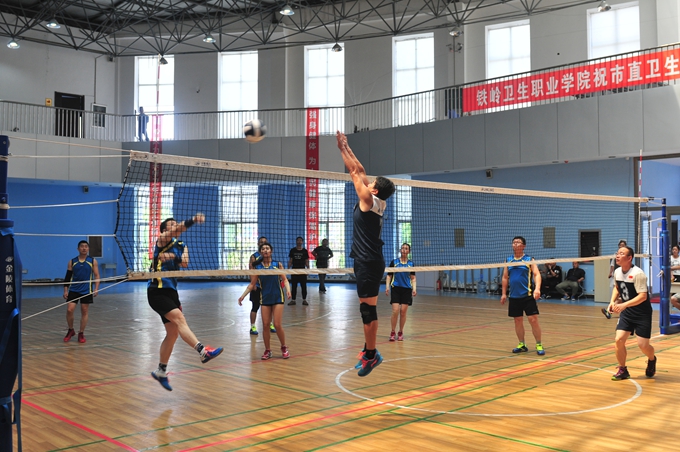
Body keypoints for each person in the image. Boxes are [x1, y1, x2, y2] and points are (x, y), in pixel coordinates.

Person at [337, 131, 395, 377]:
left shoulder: (368, 200)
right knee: (366, 309)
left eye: (372, 183)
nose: (367, 182)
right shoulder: (377, 200)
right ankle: (368, 350)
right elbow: (360, 169)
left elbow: (353, 172)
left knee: (367, 311)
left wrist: (340, 149)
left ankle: (372, 355)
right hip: (367, 261)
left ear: (374, 191)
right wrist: (347, 146)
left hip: (368, 263)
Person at [148, 214, 223, 391]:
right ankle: (203, 352)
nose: (175, 226)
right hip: (157, 291)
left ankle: (161, 371)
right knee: (180, 320)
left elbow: (185, 263)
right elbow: (178, 230)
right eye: (171, 225)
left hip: (172, 292)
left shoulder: (181, 245)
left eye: (176, 223)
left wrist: (172, 257)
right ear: (164, 230)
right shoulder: (161, 241)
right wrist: (193, 220)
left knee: (173, 333)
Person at [607, 246, 656, 380]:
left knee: (643, 345)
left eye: (621, 253)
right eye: (617, 253)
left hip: (642, 314)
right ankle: (623, 369)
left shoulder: (638, 273)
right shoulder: (617, 272)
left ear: (629, 258)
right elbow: (617, 288)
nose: (617, 256)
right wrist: (612, 301)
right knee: (619, 340)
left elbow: (643, 296)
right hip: (627, 312)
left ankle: (652, 359)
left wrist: (623, 305)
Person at [239, 242, 292, 360]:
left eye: (267, 248)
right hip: (265, 298)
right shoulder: (257, 268)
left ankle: (284, 347)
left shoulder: (277, 264)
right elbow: (252, 284)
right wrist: (243, 296)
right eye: (263, 249)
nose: (265, 250)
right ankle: (268, 350)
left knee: (277, 324)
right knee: (266, 325)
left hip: (278, 297)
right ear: (260, 252)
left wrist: (288, 290)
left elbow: (285, 280)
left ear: (271, 251)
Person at [500, 236, 545, 356]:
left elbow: (536, 274)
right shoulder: (508, 260)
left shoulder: (529, 259)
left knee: (533, 320)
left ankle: (539, 344)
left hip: (527, 295)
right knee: (517, 320)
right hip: (514, 296)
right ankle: (522, 344)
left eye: (518, 242)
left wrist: (537, 289)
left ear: (524, 246)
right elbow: (505, 277)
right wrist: (504, 293)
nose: (515, 244)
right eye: (513, 242)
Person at [63, 240, 100, 343]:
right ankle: (70, 330)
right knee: (70, 310)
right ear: (78, 249)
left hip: (86, 290)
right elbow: (67, 277)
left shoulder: (92, 261)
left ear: (88, 249)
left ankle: (81, 333)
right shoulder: (72, 261)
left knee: (84, 311)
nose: (84, 248)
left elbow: (97, 275)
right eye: (82, 246)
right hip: (74, 289)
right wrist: (65, 290)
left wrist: (96, 288)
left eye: (86, 246)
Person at [385, 243, 416, 342]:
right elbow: (389, 275)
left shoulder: (411, 264)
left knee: (403, 312)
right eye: (402, 248)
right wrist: (387, 287)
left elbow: (413, 278)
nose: (404, 250)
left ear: (409, 251)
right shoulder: (394, 262)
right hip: (396, 288)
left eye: (406, 248)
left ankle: (401, 332)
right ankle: (392, 332)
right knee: (395, 311)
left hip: (407, 289)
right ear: (400, 250)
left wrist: (414, 289)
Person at [246, 236, 276, 336]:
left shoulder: (268, 256)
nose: (263, 243)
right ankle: (252, 326)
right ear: (258, 244)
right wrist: (253, 283)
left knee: (269, 306)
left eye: (264, 242)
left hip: (267, 286)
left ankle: (270, 324)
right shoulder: (254, 256)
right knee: (255, 306)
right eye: (261, 242)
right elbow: (251, 270)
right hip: (257, 285)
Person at [288, 236, 309, 305]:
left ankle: (304, 300)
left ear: (302, 242)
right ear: (296, 241)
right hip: (294, 270)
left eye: (300, 240)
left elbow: (306, 261)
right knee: (294, 286)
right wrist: (288, 269)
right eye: (298, 240)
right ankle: (293, 300)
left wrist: (308, 269)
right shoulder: (293, 250)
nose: (299, 242)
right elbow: (290, 260)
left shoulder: (305, 251)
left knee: (304, 286)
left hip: (302, 271)